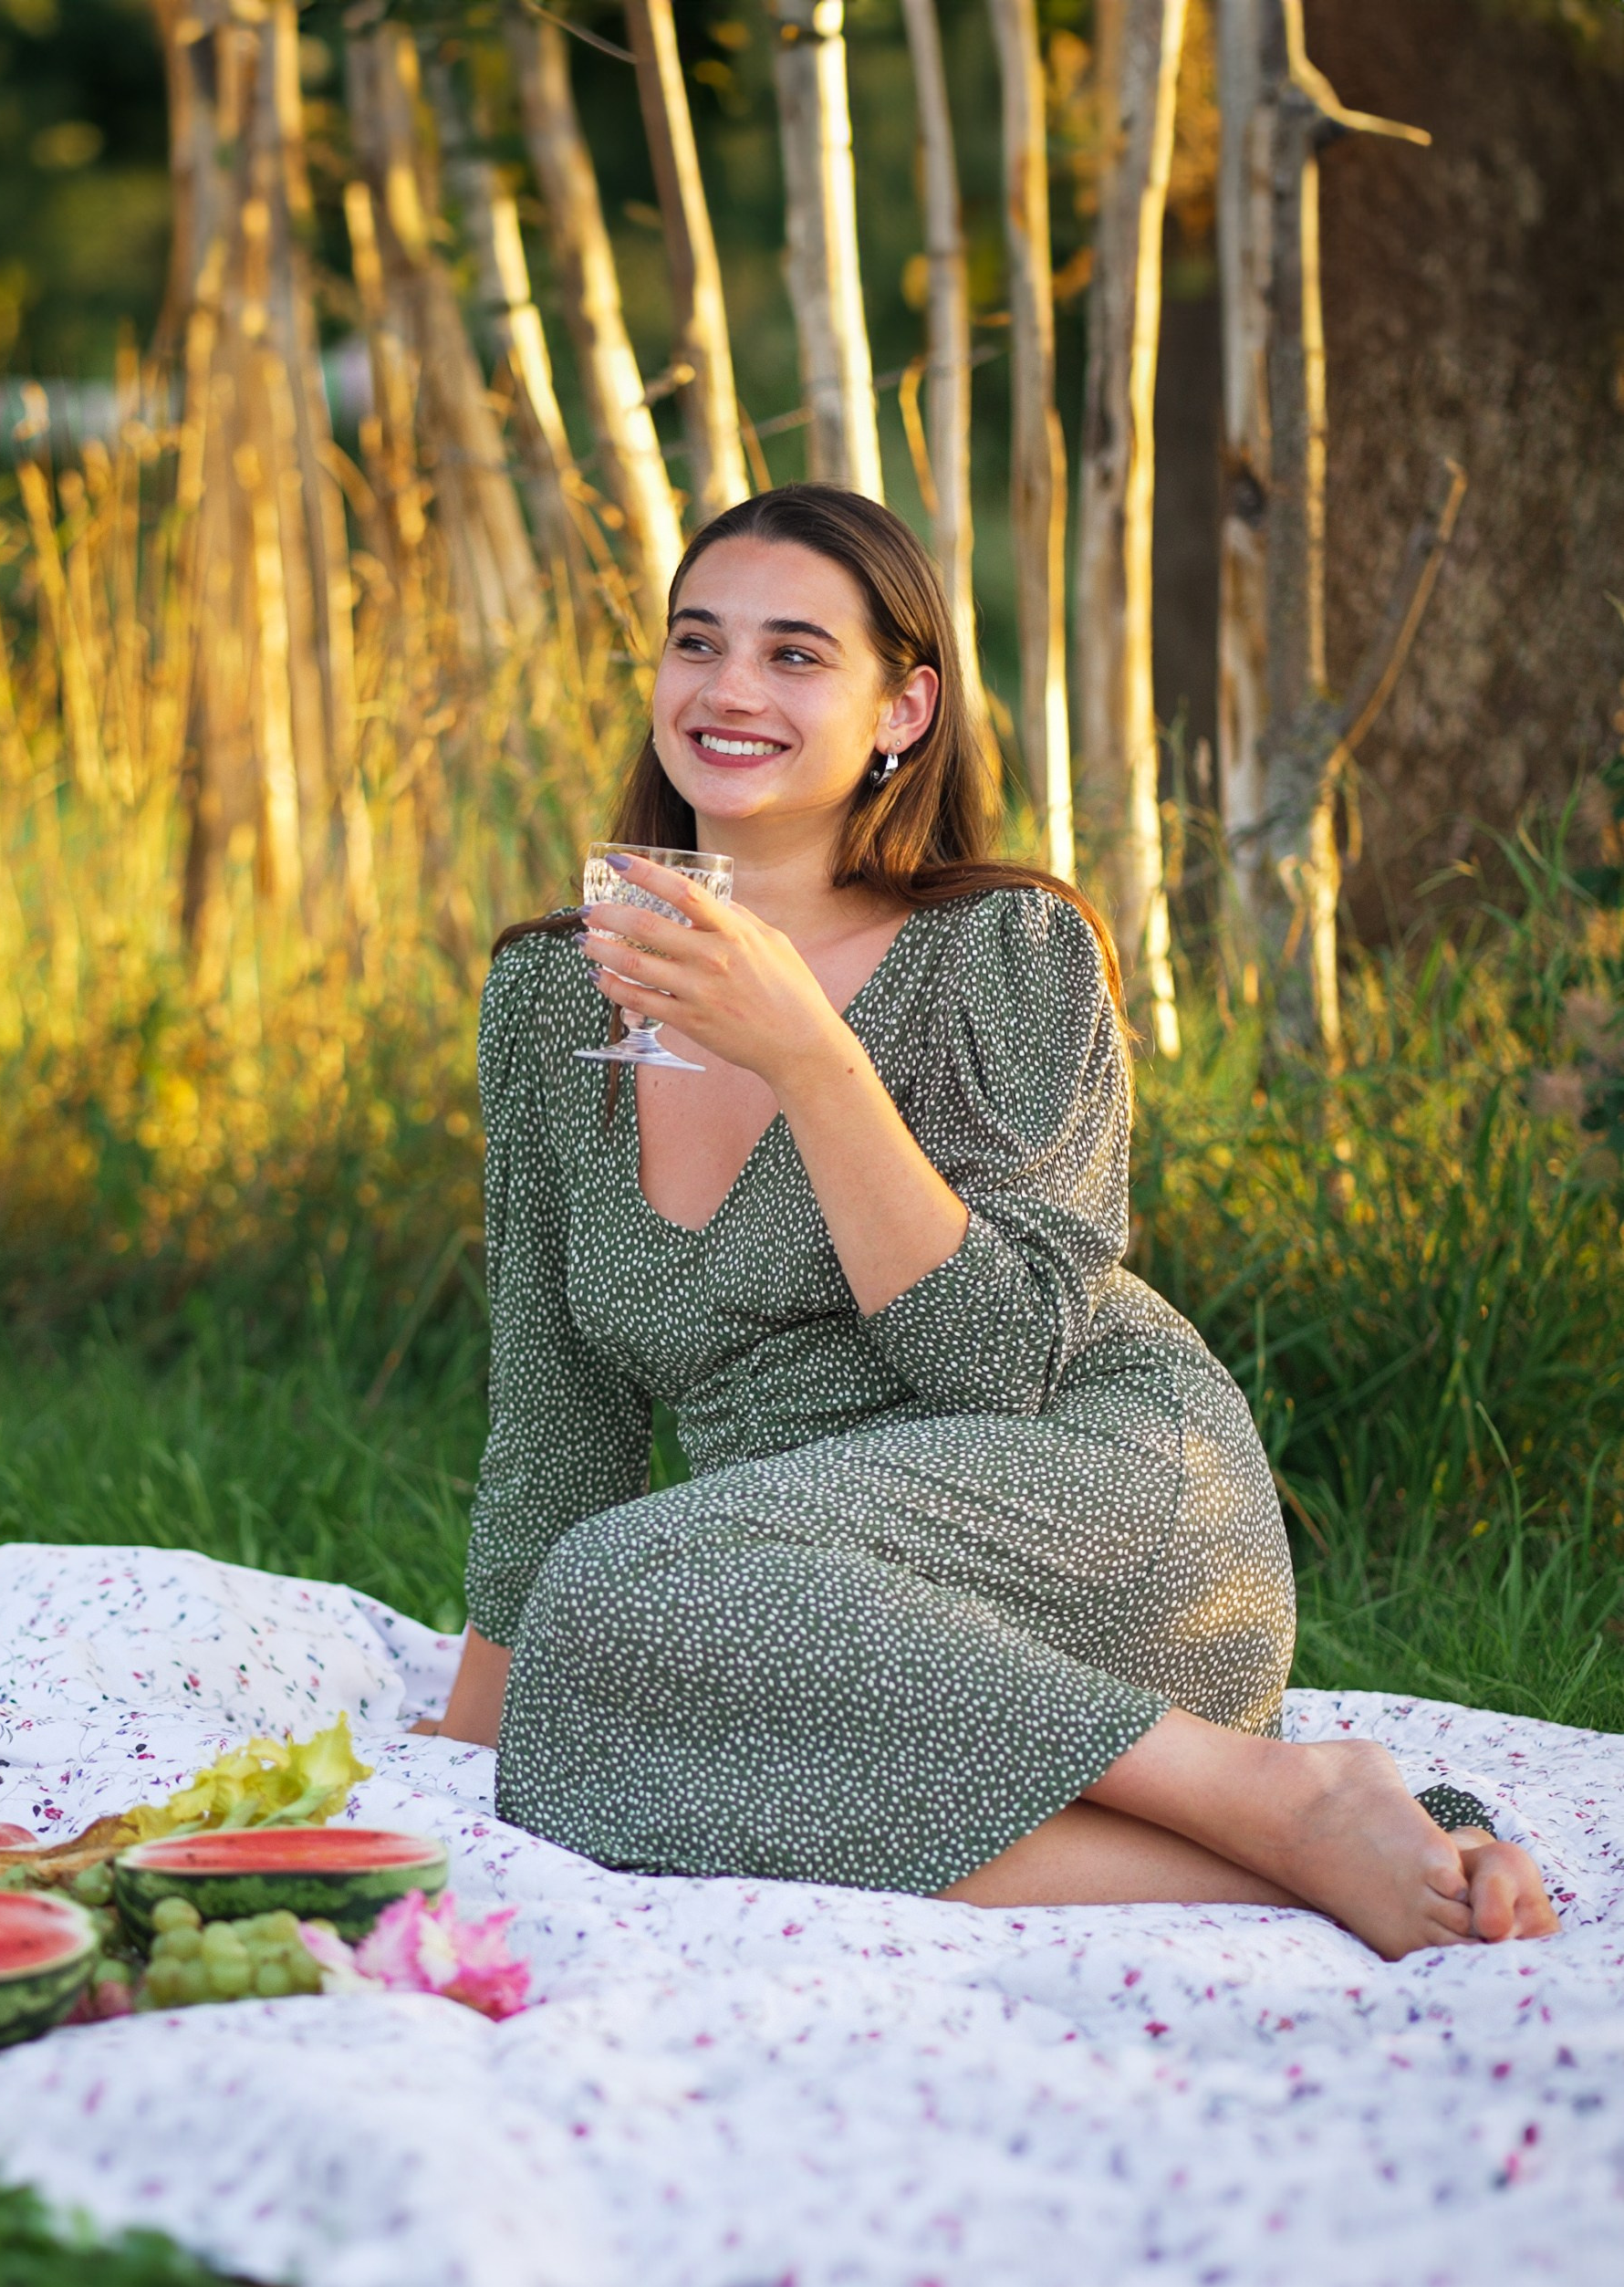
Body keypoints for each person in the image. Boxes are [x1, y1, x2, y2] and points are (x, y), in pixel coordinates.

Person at [419, 485, 1556, 1961]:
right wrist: (480, 1739)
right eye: (696, 644)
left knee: (630, 1582)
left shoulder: (1007, 952)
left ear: (903, 707)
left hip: (1099, 1499)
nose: (728, 689)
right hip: (809, 1592)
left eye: (795, 655)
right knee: (578, 1740)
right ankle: (1298, 1836)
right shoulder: (552, 998)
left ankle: (1245, 1782)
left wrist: (809, 1056)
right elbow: (554, 1407)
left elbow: (999, 1360)